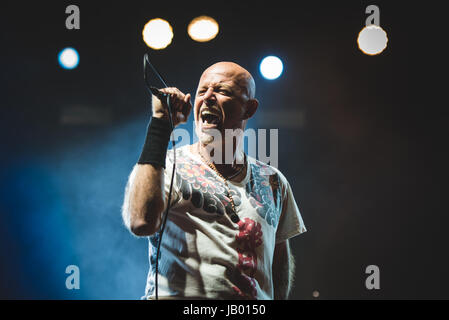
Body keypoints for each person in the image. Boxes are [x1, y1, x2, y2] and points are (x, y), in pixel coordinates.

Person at [121, 61, 306, 300]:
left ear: (249, 109)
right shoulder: (164, 165)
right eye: (201, 91)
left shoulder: (273, 181)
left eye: (222, 91)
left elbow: (278, 265)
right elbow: (141, 222)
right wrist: (160, 123)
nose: (208, 97)